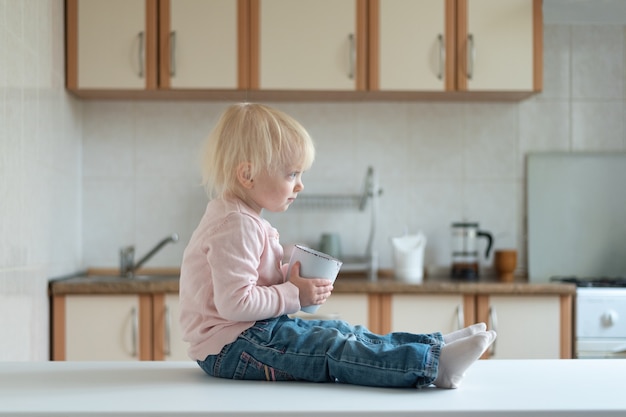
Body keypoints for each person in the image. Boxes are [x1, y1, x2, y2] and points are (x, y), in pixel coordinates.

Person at [179, 103, 496, 389]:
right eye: (292, 174)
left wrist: (289, 275)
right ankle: (432, 367)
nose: (300, 184)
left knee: (342, 330)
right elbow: (235, 304)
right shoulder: (237, 224)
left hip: (243, 339)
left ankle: (433, 348)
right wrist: (294, 294)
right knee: (332, 344)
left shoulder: (241, 218)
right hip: (231, 349)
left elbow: (248, 284)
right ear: (248, 174)